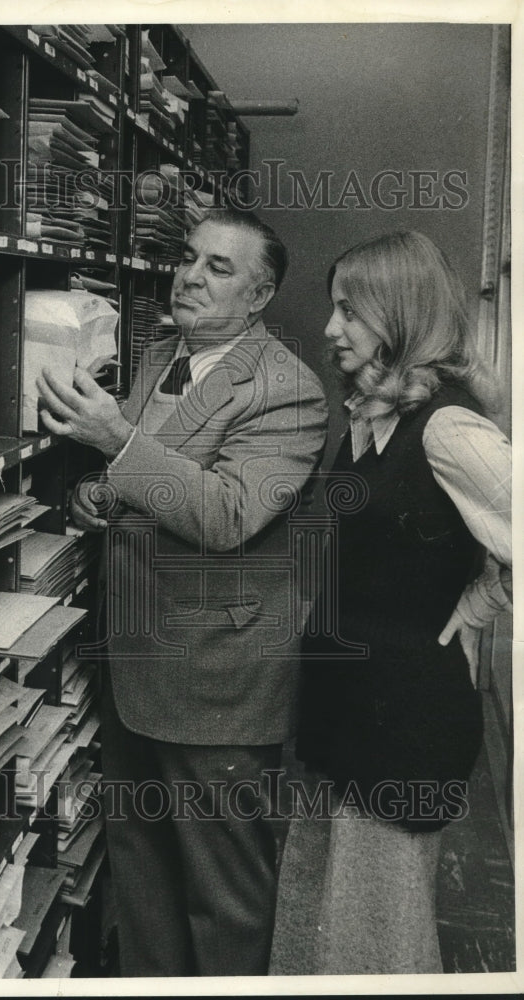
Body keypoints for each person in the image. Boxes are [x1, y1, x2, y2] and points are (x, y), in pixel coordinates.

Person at [36, 207, 328, 976]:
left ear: (260, 296)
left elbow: (231, 512)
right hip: (138, 666)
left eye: (219, 269)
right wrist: (98, 496)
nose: (190, 276)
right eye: (189, 258)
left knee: (223, 896)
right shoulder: (161, 355)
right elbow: (140, 477)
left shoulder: (286, 390)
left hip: (217, 685)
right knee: (144, 876)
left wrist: (116, 446)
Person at [291, 230, 512, 974]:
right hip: (341, 711)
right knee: (322, 917)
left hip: (402, 726)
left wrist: (480, 604)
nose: (330, 329)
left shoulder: (447, 427)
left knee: (376, 938)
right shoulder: (369, 416)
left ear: (401, 315)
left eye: (349, 311)